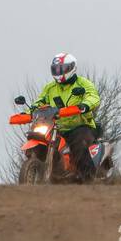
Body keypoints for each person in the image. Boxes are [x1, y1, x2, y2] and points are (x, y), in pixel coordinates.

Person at [30, 52, 101, 181]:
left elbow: (93, 96)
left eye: (62, 69)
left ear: (71, 68)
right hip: (57, 126)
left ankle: (88, 179)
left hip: (79, 125)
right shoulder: (50, 87)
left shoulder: (83, 84)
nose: (59, 71)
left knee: (80, 145)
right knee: (39, 137)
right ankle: (46, 170)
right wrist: (32, 109)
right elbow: (40, 101)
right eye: (56, 69)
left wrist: (85, 105)